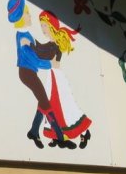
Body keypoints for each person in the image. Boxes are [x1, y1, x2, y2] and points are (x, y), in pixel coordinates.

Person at [7, 0, 73, 149]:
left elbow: (40, 49)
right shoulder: (22, 38)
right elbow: (35, 60)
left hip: (30, 73)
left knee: (42, 101)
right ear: (21, 18)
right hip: (26, 73)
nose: (30, 16)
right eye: (27, 13)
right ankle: (60, 137)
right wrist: (50, 64)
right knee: (46, 103)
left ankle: (33, 131)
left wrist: (54, 44)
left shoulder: (27, 34)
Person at [36, 10, 92, 148]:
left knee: (64, 106)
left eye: (44, 25)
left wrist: (30, 44)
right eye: (41, 26)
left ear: (51, 26)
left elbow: (42, 53)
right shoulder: (51, 44)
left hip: (56, 78)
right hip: (52, 77)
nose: (42, 29)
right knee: (53, 106)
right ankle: (57, 135)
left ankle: (84, 132)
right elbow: (41, 50)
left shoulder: (54, 44)